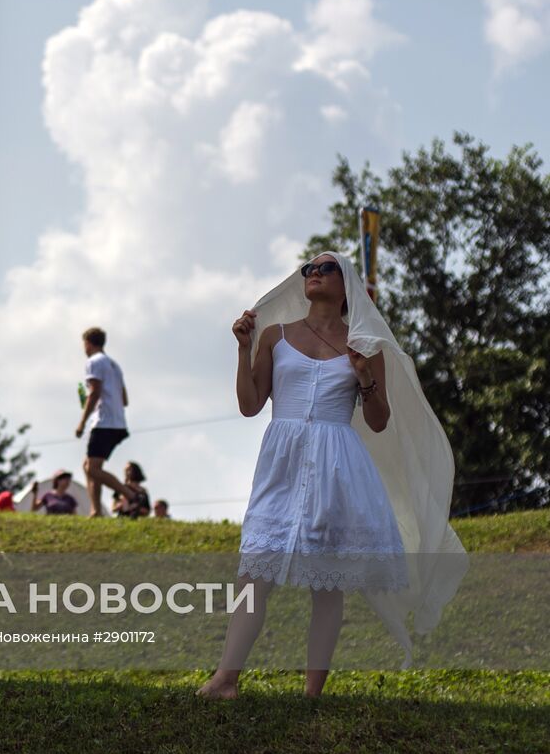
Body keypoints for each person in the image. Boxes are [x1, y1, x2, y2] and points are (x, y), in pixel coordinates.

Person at [197, 251, 466, 700]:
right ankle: (226, 679)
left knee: (328, 585)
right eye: (309, 270)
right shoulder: (275, 337)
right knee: (253, 575)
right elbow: (249, 405)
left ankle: (312, 694)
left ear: (348, 286)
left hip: (337, 463)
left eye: (326, 269)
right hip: (281, 462)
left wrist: (364, 376)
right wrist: (243, 349)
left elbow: (379, 420)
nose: (314, 275)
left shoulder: (365, 346)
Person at [75, 328, 140, 518]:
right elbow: (124, 399)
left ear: (88, 343)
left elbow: (94, 392)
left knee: (91, 468)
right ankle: (95, 510)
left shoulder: (94, 362)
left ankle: (130, 495)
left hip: (104, 422)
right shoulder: (114, 365)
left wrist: (82, 422)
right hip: (118, 422)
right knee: (90, 466)